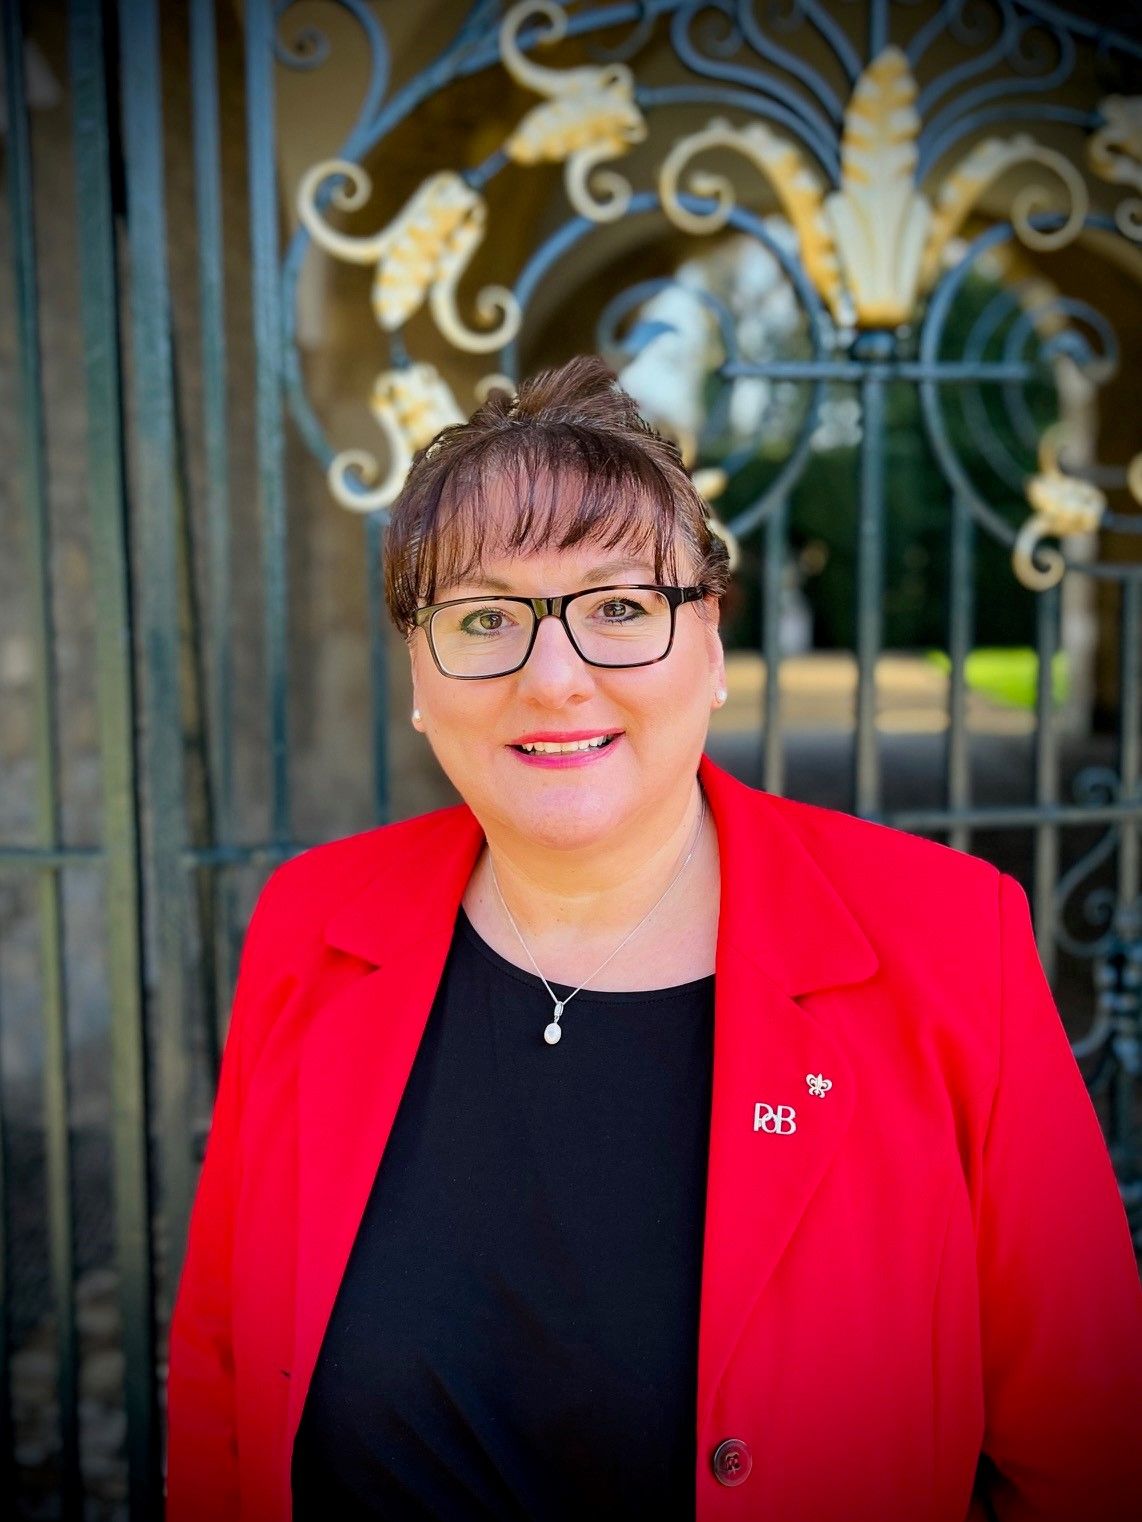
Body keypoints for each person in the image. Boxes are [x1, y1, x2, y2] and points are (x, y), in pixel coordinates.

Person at [165, 356, 1142, 1522]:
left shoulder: (946, 941)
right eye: (484, 617)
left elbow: (1088, 1447)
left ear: (710, 643)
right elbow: (222, 1382)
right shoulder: (311, 926)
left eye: (620, 607)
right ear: (418, 672)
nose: (554, 678)